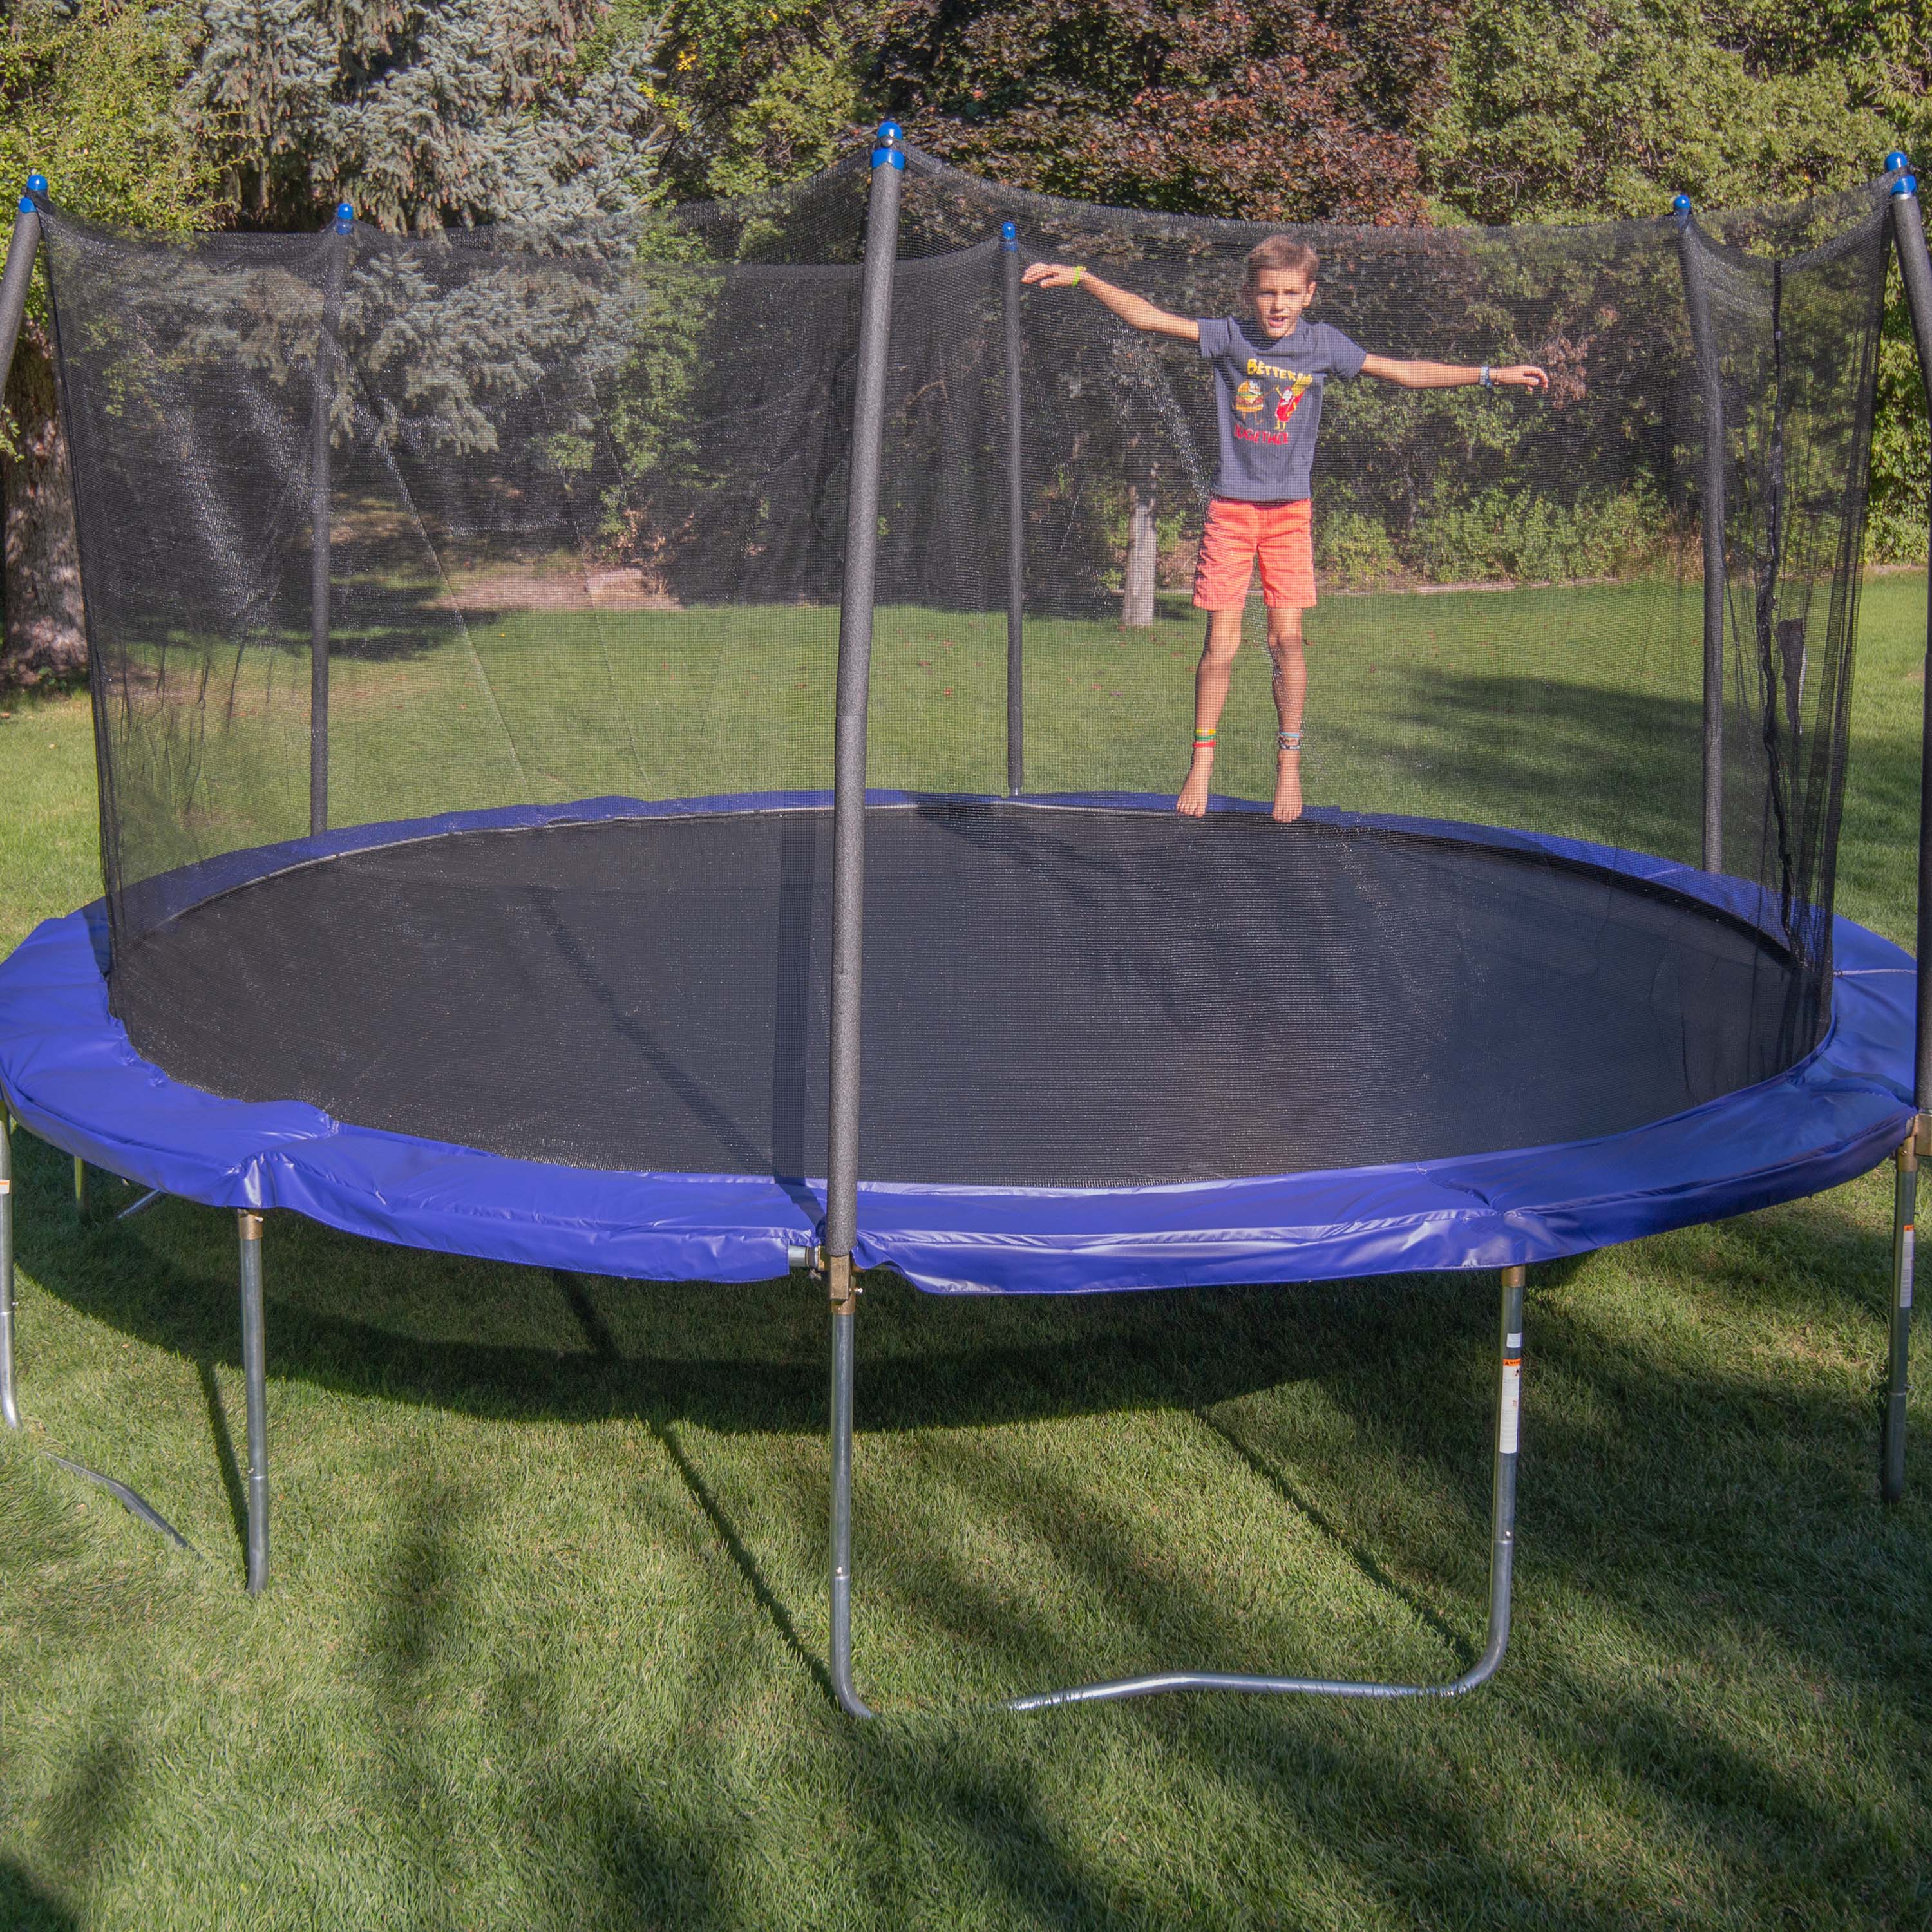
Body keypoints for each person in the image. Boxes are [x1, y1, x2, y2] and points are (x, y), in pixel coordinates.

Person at [1022, 240, 1549, 821]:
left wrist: (1489, 374)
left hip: (1289, 515)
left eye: (1290, 294)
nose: (1278, 305)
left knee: (1286, 643)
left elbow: (1400, 372)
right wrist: (1082, 276)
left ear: (1309, 294)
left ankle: (1288, 765)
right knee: (1220, 644)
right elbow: (1149, 317)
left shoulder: (1323, 345)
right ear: (1250, 294)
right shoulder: (1229, 336)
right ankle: (1201, 761)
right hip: (1232, 510)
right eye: (1268, 293)